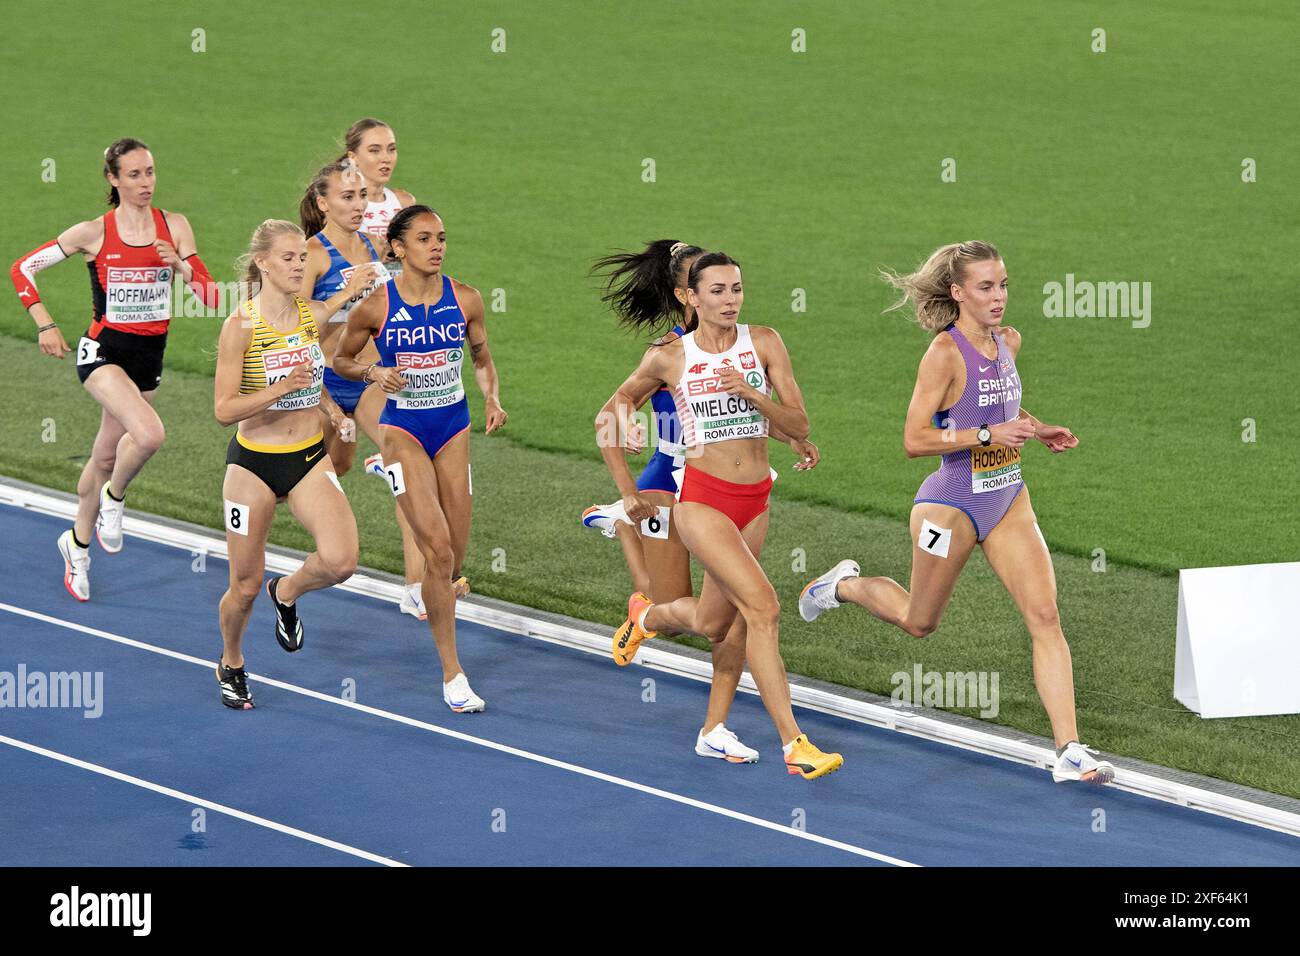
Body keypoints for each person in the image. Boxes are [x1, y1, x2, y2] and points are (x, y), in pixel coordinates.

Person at [798, 240, 1112, 784]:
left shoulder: (1008, 341)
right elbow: (915, 439)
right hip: (948, 506)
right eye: (986, 287)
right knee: (920, 622)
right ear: (958, 292)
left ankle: (1069, 750)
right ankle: (843, 586)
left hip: (1008, 495)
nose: (999, 297)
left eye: (1004, 284)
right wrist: (990, 433)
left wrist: (1037, 429)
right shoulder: (943, 355)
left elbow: (1002, 405)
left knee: (1044, 616)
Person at [605, 252, 842, 780]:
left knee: (718, 623)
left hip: (756, 499)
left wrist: (754, 396)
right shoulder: (669, 356)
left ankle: (651, 627)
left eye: (736, 288)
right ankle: (794, 744)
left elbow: (798, 421)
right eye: (717, 291)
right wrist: (627, 488)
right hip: (702, 501)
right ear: (690, 298)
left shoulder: (765, 343)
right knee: (763, 608)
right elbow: (610, 411)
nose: (730, 300)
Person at [9, 138, 218, 601]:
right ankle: (115, 500)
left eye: (150, 172)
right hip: (102, 353)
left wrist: (181, 266)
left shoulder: (175, 226)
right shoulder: (93, 233)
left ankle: (77, 547)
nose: (146, 183)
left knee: (105, 457)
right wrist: (45, 323)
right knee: (149, 436)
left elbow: (210, 296)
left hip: (149, 359)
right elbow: (23, 268)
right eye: (135, 175)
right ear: (113, 179)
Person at [334, 205, 507, 713]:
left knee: (454, 556)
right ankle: (453, 672)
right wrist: (372, 376)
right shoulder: (375, 306)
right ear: (398, 249)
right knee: (437, 552)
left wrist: (493, 398)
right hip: (402, 430)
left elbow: (481, 357)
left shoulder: (467, 299)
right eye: (425, 238)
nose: (437, 246)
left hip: (453, 429)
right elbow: (341, 359)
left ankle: (429, 590)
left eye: (442, 238)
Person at [211, 219, 375, 709]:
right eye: (288, 258)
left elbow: (313, 375)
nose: (299, 265)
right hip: (254, 465)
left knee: (342, 561)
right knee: (242, 588)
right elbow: (223, 410)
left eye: (302, 257)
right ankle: (232, 660)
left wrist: (331, 411)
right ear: (262, 263)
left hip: (307, 457)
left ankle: (286, 592)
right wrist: (281, 388)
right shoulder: (240, 326)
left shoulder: (310, 313)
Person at [298, 161, 430, 619]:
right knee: (334, 467)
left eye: (362, 196)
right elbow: (293, 332)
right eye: (347, 197)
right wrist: (340, 295)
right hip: (321, 384)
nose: (359, 205)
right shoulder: (311, 256)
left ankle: (417, 586)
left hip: (370, 376)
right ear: (323, 203)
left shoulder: (375, 247)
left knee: (408, 463)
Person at [337, 118, 416, 255]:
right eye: (374, 150)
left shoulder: (404, 202)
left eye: (391, 149)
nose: (386, 158)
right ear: (353, 157)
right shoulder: (339, 204)